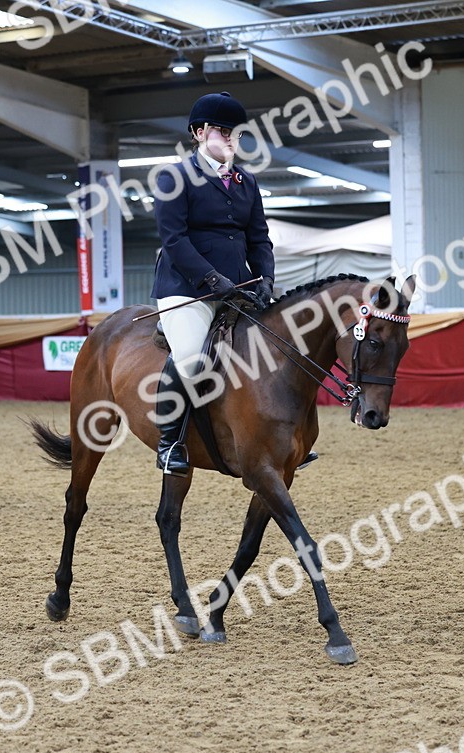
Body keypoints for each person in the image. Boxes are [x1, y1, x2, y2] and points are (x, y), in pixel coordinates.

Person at [150, 91, 275, 475]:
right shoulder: (173, 177)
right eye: (223, 131)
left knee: (275, 350)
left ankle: (276, 438)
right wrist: (210, 278)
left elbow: (259, 238)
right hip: (186, 289)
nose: (232, 139)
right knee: (190, 356)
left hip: (239, 287)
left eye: (236, 133)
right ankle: (169, 443)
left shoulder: (246, 182)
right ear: (200, 132)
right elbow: (174, 239)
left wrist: (267, 278)